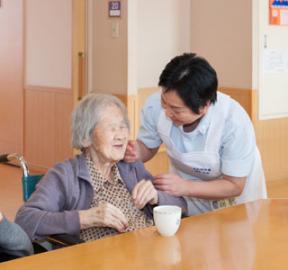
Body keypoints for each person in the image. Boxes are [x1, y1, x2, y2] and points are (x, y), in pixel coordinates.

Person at [15, 93, 186, 242]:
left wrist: (157, 197)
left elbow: (181, 206)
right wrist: (85, 217)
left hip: (149, 251)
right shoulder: (65, 175)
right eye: (111, 128)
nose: (120, 135)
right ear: (86, 138)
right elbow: (25, 219)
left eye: (122, 126)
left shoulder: (131, 167)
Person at [125, 53, 267, 215]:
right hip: (185, 187)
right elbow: (147, 147)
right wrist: (134, 152)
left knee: (239, 234)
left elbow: (234, 185)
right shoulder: (155, 106)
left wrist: (185, 186)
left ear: (204, 106)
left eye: (176, 110)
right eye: (164, 102)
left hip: (234, 194)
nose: (167, 112)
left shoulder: (233, 122)